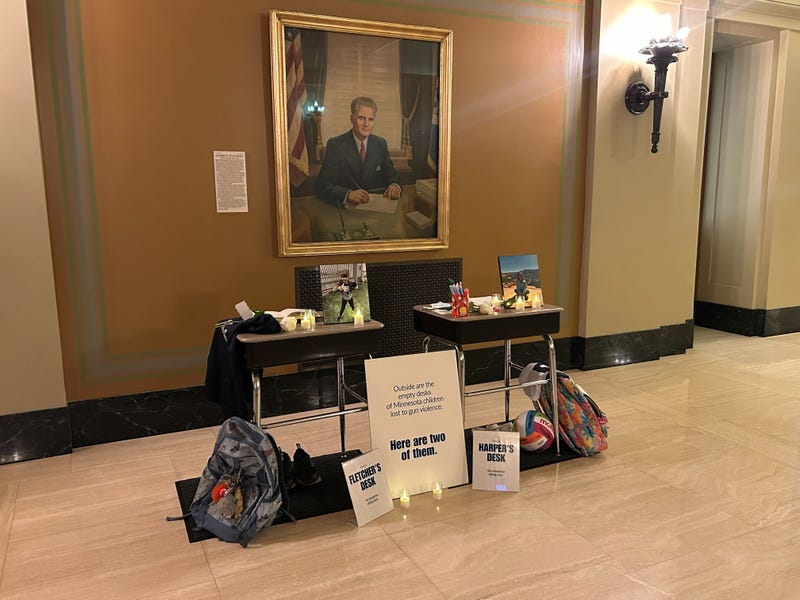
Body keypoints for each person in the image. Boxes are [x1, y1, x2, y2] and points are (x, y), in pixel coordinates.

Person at [315, 97, 401, 208]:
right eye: (361, 118)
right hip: (346, 211)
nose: (366, 124)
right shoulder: (336, 145)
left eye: (371, 119)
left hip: (376, 209)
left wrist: (394, 186)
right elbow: (322, 185)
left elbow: (392, 175)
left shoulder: (380, 144)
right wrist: (348, 194)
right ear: (352, 118)